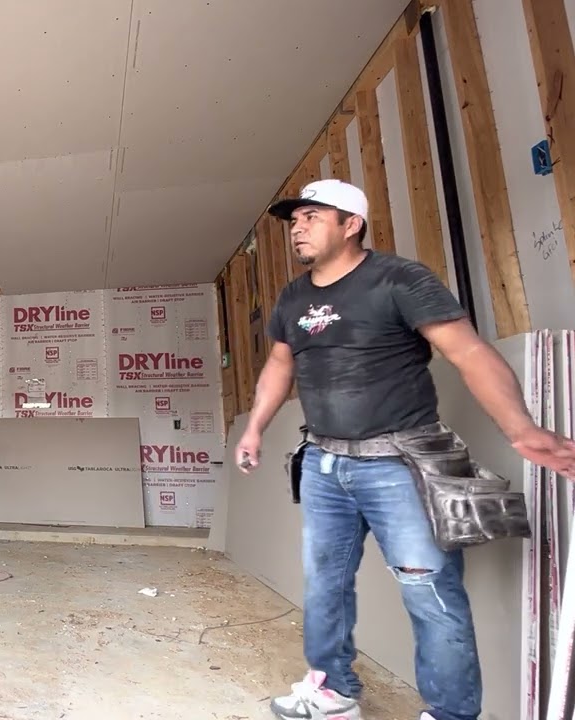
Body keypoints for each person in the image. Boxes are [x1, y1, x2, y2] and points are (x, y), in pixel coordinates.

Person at [235, 178, 575, 720]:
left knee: (430, 593)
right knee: (325, 586)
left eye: (312, 216)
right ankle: (333, 691)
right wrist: (254, 427)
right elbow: (281, 363)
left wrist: (522, 430)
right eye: (294, 220)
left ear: (352, 224)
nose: (297, 228)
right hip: (324, 464)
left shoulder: (398, 278)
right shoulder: (293, 297)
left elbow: (467, 351)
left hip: (400, 463)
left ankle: (451, 714)